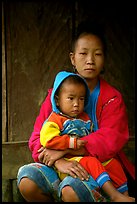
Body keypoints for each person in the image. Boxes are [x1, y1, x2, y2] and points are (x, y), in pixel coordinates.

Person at [17, 20, 135, 202]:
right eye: (83, 53)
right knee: (27, 180)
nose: (90, 60)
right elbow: (37, 139)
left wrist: (63, 150)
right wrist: (59, 161)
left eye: (97, 54)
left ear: (104, 59)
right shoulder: (55, 96)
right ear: (72, 58)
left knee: (72, 190)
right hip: (60, 167)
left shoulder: (112, 98)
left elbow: (109, 139)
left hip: (99, 167)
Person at [40, 70, 135, 202]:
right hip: (69, 160)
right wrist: (71, 144)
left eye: (81, 99)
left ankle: (124, 194)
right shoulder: (55, 119)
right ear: (57, 101)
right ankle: (114, 195)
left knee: (113, 164)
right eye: (71, 98)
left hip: (85, 155)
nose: (76, 104)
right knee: (92, 162)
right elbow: (47, 139)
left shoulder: (84, 117)